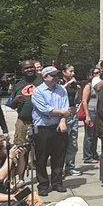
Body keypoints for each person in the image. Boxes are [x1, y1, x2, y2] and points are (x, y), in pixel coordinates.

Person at [31, 65, 72, 195]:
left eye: (56, 75)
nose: (55, 78)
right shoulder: (38, 91)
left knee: (59, 156)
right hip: (44, 128)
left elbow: (66, 107)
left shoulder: (61, 89)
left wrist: (63, 120)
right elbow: (45, 110)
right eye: (52, 75)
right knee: (42, 158)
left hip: (59, 126)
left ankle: (57, 182)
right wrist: (62, 113)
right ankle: (43, 185)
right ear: (44, 77)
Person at [7, 60, 40, 148]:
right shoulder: (18, 85)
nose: (29, 69)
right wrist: (15, 100)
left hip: (39, 121)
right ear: (22, 71)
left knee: (39, 148)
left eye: (31, 67)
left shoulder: (42, 81)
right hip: (22, 121)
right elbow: (12, 106)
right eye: (26, 68)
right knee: (20, 148)